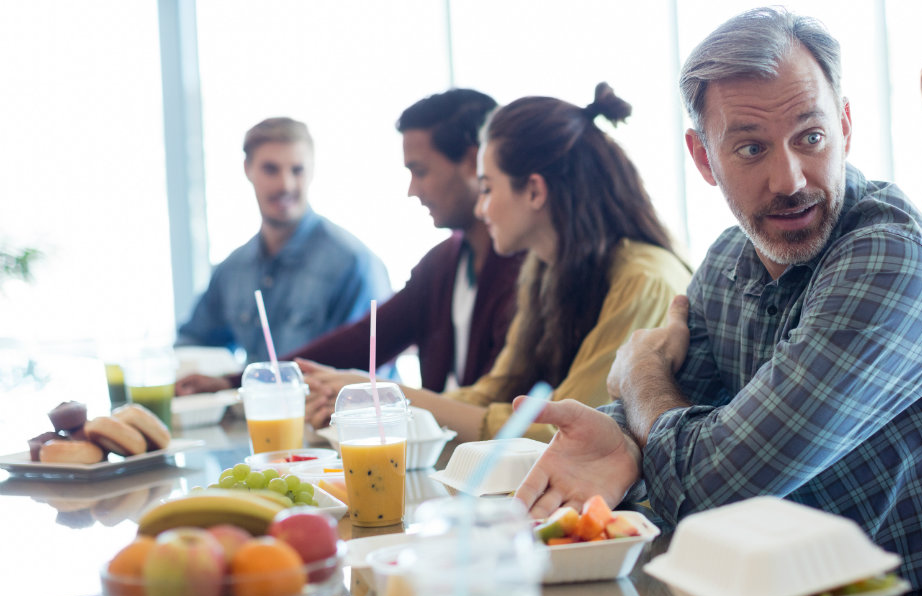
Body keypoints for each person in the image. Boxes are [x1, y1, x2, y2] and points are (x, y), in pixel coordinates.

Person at [514, 8, 922, 596]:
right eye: (750, 149)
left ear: (845, 125)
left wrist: (640, 378)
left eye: (810, 137)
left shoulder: (891, 256)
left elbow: (718, 485)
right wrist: (621, 437)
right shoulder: (729, 260)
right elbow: (687, 434)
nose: (789, 178)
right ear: (702, 158)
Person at [316, 83, 692, 443]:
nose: (482, 207)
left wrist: (392, 396)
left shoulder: (645, 280)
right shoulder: (544, 270)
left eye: (487, 189)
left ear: (533, 190)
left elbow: (564, 427)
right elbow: (493, 394)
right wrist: (382, 396)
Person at [176, 91, 525, 431]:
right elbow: (357, 342)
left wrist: (375, 395)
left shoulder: (525, 271)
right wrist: (237, 381)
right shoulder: (442, 264)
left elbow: (495, 405)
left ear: (472, 162)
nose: (412, 190)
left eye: (419, 171)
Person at [175, 117, 392, 365]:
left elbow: (366, 379)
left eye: (297, 170)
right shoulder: (233, 269)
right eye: (271, 169)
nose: (285, 184)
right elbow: (191, 344)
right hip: (253, 403)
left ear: (312, 171)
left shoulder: (352, 264)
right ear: (248, 169)